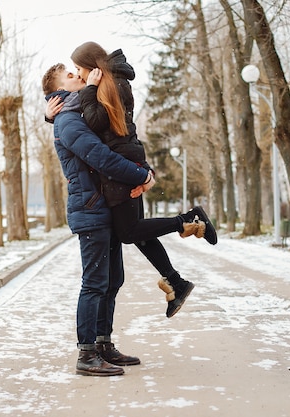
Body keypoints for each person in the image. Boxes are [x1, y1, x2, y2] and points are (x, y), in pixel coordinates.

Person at [47, 41, 217, 319]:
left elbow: (95, 123)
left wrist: (87, 90)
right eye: (74, 72)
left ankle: (189, 220)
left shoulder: (109, 85)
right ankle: (175, 280)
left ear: (92, 67)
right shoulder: (109, 83)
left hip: (121, 166)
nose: (79, 74)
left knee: (129, 232)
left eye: (79, 68)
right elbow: (92, 126)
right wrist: (51, 115)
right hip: (126, 162)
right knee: (137, 232)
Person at [42, 63, 154, 377]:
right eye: (70, 75)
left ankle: (104, 344)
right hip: (90, 210)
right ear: (57, 92)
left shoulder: (74, 116)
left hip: (103, 208)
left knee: (112, 280)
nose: (78, 76)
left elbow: (113, 139)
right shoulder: (67, 121)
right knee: (93, 284)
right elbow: (100, 156)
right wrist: (141, 174)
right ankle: (86, 354)